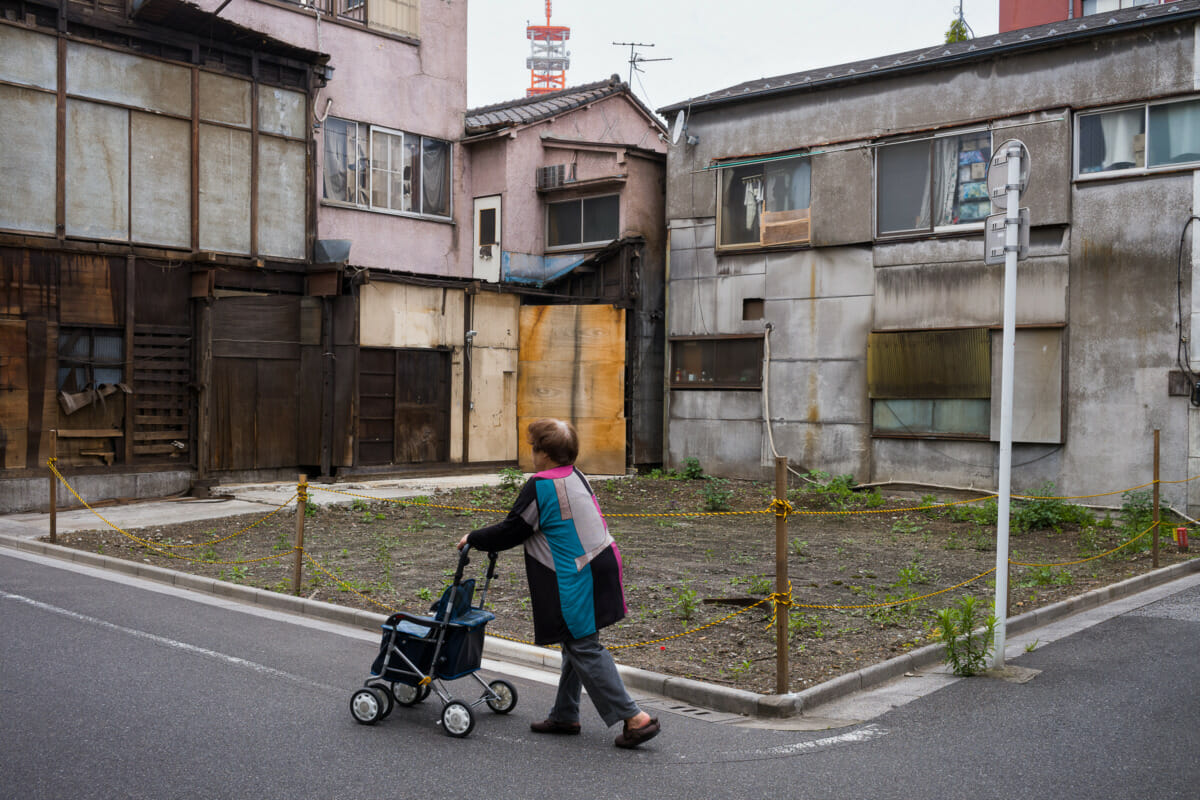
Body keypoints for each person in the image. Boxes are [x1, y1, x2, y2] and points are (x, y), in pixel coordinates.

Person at [456, 418, 660, 749]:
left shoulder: (541, 484)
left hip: (578, 573)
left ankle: (635, 718)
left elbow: (513, 530)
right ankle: (565, 714)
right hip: (603, 560)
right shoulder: (574, 474)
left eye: (534, 447)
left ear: (545, 453)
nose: (532, 453)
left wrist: (473, 538)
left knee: (583, 646)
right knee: (575, 640)